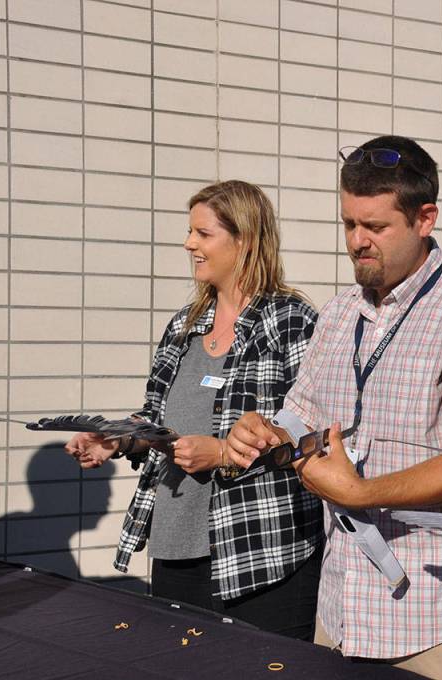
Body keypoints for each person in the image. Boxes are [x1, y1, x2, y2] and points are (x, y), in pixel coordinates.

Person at [225, 135, 442, 679]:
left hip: (438, 619)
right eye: (349, 224)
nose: (358, 241)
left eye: (376, 227)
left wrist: (361, 493)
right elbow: (302, 417)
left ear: (425, 218)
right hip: (341, 611)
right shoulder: (341, 311)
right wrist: (265, 432)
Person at [64, 180, 322, 639]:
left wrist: (223, 451)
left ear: (243, 239)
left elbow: (311, 431)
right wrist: (116, 437)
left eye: (203, 234)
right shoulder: (184, 328)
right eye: (191, 233)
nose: (189, 244)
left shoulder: (291, 320)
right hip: (175, 548)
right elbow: (157, 418)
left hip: (259, 556)